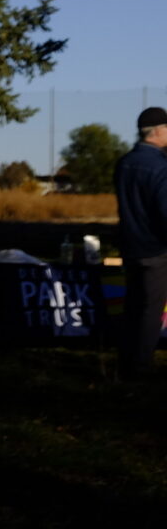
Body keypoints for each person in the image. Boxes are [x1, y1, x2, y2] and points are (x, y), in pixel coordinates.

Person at [115, 106, 167, 377]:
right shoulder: (160, 167)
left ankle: (126, 362)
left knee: (133, 306)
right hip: (156, 250)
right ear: (158, 131)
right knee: (151, 311)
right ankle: (140, 367)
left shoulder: (125, 163)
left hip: (130, 246)